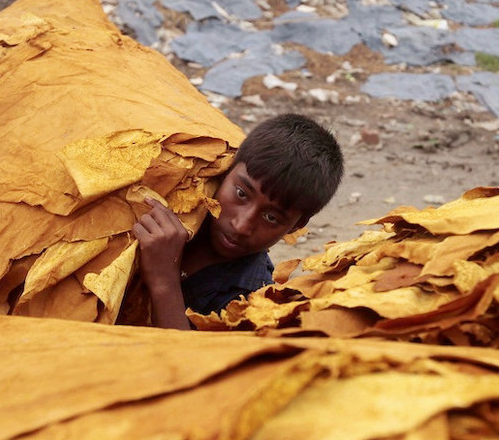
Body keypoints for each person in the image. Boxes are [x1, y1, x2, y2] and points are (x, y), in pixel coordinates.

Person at [131, 113, 344, 329]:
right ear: (226, 170)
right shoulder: (181, 198)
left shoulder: (249, 303)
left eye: (271, 217)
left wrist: (164, 282)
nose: (241, 225)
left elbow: (188, 360)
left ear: (296, 226)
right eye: (241, 194)